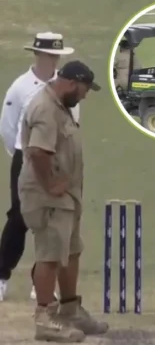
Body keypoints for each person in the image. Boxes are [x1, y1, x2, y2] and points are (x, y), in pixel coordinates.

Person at [20, 60, 105, 342]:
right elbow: (38, 151)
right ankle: (44, 318)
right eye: (83, 89)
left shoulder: (61, 107)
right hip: (47, 197)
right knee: (50, 255)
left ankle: (70, 309)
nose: (84, 95)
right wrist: (50, 185)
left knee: (70, 251)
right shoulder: (45, 109)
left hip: (65, 196)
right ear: (71, 83)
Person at [0, 32, 78, 301]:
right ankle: (1, 276)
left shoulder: (64, 85)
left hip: (59, 158)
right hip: (26, 156)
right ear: (38, 55)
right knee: (20, 217)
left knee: (53, 221)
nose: (53, 60)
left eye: (57, 56)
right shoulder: (20, 86)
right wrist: (20, 154)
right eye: (49, 55)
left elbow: (71, 123)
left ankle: (41, 283)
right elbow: (8, 125)